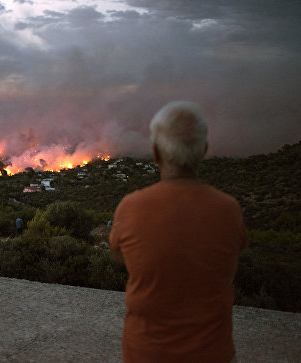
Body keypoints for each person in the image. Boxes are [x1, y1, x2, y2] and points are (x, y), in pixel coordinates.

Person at [109, 101, 247, 362]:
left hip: (146, 353)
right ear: (204, 150)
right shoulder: (229, 209)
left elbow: (120, 256)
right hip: (213, 353)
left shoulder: (131, 207)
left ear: (156, 154)